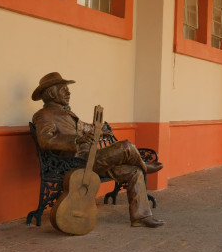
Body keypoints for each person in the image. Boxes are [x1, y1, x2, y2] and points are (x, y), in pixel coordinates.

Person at [31, 72, 165, 228]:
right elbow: (45, 140)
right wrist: (75, 141)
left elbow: (84, 127)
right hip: (77, 163)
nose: (68, 92)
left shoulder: (66, 113)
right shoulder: (43, 115)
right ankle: (144, 165)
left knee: (134, 171)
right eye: (63, 89)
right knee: (126, 146)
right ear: (51, 92)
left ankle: (140, 217)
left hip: (91, 161)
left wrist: (99, 131)